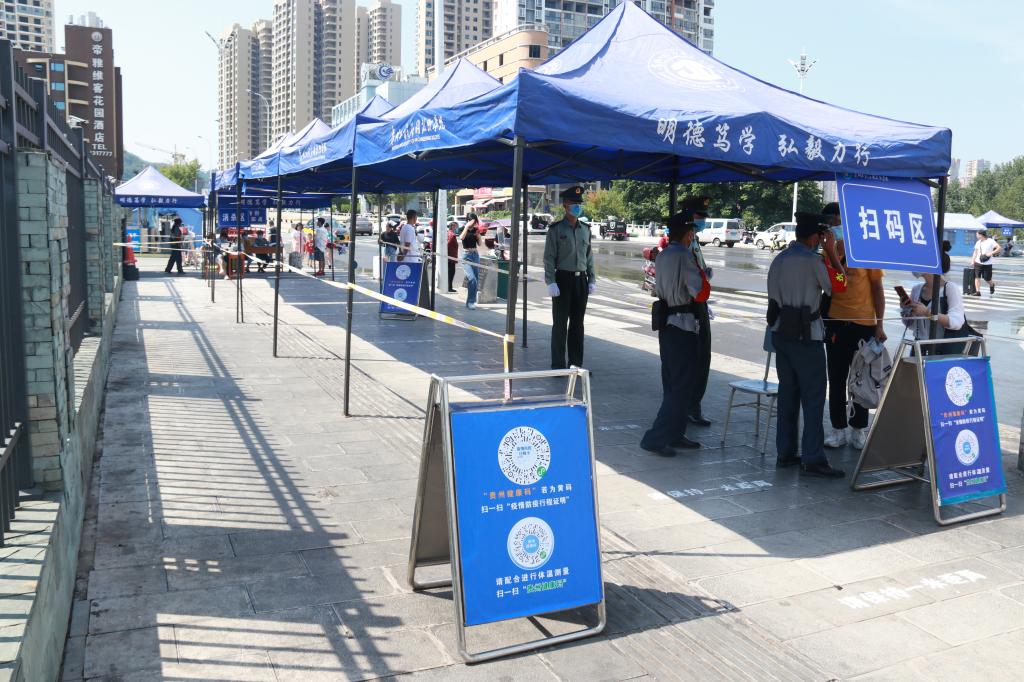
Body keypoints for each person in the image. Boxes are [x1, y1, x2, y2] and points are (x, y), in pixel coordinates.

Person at [766, 212, 845, 478]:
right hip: (806, 335)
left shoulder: (779, 259)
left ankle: (785, 453)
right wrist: (831, 252)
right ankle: (813, 458)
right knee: (813, 398)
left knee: (788, 394)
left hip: (781, 332)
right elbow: (840, 285)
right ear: (816, 237)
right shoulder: (814, 261)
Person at [820, 201, 885, 450]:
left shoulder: (866, 249)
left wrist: (879, 324)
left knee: (861, 379)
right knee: (836, 378)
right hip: (835, 322)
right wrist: (830, 253)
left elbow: (877, 288)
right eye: (828, 223)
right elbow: (837, 283)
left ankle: (859, 428)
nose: (832, 226)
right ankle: (838, 429)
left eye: (835, 221)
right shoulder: (825, 251)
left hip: (863, 324)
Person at [640, 215, 706, 457]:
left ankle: (675, 433)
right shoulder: (684, 256)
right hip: (683, 324)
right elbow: (699, 292)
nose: (693, 236)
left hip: (667, 323)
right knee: (681, 385)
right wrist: (705, 275)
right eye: (692, 232)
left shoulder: (664, 254)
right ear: (688, 234)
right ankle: (655, 438)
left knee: (673, 383)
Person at [543, 185, 596, 369]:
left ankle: (576, 364)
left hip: (581, 281)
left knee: (577, 324)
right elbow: (549, 258)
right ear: (565, 204)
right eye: (574, 203)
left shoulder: (585, 229)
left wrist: (592, 279)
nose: (577, 206)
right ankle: (558, 365)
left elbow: (589, 256)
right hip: (562, 280)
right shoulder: (556, 229)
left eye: (579, 203)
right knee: (560, 324)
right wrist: (550, 281)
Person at [679, 196, 714, 426]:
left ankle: (693, 406)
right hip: (690, 307)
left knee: (702, 358)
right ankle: (689, 407)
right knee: (695, 359)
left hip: (698, 303)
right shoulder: (683, 244)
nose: (702, 221)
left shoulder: (694, 241)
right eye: (699, 217)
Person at [902, 241, 968, 354]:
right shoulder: (916, 289)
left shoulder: (950, 288)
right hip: (918, 347)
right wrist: (906, 311)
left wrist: (927, 312)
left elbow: (956, 322)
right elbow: (911, 325)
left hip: (941, 349)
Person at [460, 214, 483, 309]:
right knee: (472, 278)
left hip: (475, 255)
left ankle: (470, 302)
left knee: (475, 280)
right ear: (468, 220)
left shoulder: (475, 230)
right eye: (472, 221)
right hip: (466, 256)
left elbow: (480, 244)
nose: (474, 223)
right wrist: (466, 227)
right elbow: (461, 238)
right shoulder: (463, 228)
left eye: (475, 221)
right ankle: (470, 302)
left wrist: (478, 236)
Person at [970, 229, 1001, 296]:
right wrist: (973, 260)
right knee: (977, 277)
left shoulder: (990, 241)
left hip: (988, 263)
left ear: (981, 235)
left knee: (987, 278)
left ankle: (992, 285)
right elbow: (975, 252)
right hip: (978, 262)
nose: (976, 236)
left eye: (977, 234)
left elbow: (999, 248)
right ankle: (978, 292)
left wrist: (991, 253)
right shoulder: (978, 242)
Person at [446, 220, 459, 292]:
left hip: (450, 256)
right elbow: (448, 244)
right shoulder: (452, 235)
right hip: (451, 256)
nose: (457, 228)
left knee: (450, 272)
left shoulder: (448, 233)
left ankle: (449, 287)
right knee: (451, 272)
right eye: (456, 226)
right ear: (453, 227)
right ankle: (449, 287)